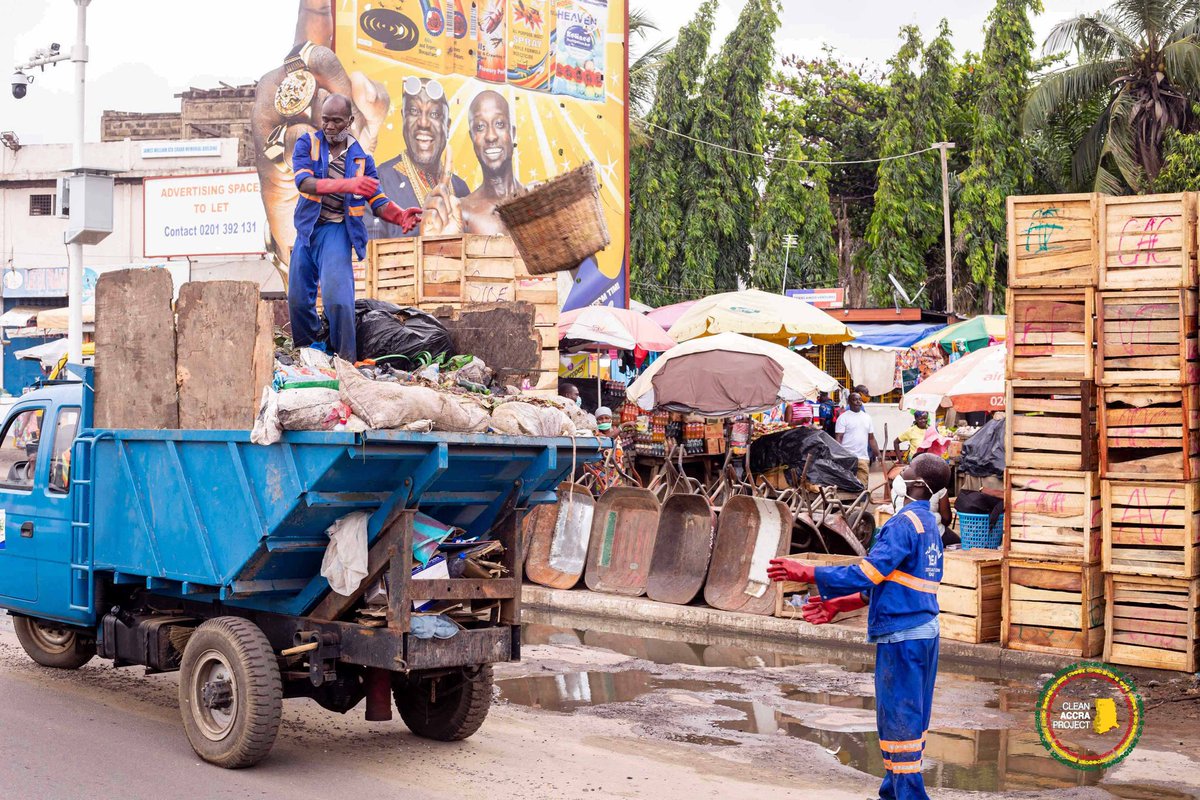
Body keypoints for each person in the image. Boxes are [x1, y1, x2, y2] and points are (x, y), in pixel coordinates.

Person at [768, 453, 950, 800]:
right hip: (924, 634)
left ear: (915, 484)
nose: (898, 473)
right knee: (909, 719)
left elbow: (869, 572)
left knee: (900, 724)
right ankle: (891, 793)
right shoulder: (929, 526)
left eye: (905, 470)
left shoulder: (903, 524)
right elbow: (896, 582)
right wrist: (840, 604)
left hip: (903, 639)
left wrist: (808, 572)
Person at [290, 94, 421, 361]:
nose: (329, 126)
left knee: (338, 299)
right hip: (308, 229)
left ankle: (344, 360)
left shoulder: (363, 161)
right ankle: (309, 351)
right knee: (297, 299)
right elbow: (304, 183)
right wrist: (347, 185)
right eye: (325, 120)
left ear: (349, 121)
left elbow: (378, 200)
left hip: (336, 230)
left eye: (336, 121)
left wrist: (399, 216)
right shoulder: (308, 144)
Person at [370, 77, 470, 239]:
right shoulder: (378, 182)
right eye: (414, 112)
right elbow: (367, 259)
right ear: (403, 119)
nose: (423, 122)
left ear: (448, 126)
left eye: (435, 114)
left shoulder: (460, 189)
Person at [836, 392, 877, 490]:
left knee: (862, 486)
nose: (858, 402)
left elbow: (871, 438)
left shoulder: (867, 417)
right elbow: (839, 438)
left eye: (859, 399)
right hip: (847, 457)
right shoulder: (843, 418)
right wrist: (838, 456)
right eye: (855, 399)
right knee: (847, 485)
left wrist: (878, 454)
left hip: (863, 457)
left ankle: (861, 504)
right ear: (849, 402)